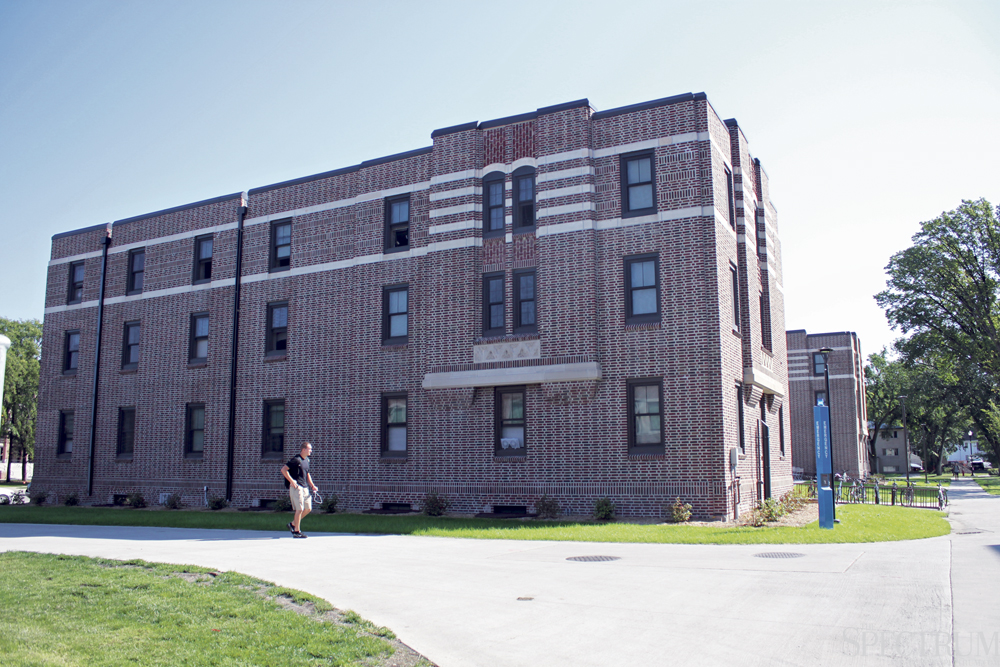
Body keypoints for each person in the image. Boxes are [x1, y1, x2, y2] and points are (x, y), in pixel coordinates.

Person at [281, 441, 318, 538]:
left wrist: (312, 485)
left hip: (305, 487)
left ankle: (292, 524)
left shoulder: (307, 460)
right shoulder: (296, 460)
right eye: (309, 449)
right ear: (304, 449)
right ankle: (297, 532)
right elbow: (284, 470)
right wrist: (292, 481)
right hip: (297, 487)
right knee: (300, 509)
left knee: (308, 509)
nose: (311, 451)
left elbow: (307, 474)